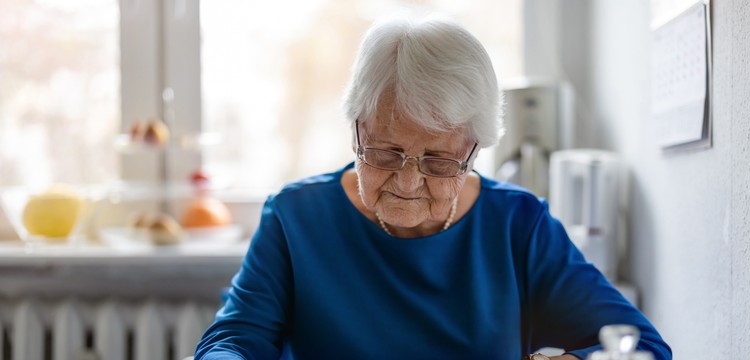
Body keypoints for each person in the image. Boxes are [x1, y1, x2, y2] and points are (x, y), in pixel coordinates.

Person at [195, 16, 672, 360]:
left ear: (473, 152)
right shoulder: (296, 217)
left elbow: (642, 345)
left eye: (439, 161)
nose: (407, 181)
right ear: (356, 128)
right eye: (384, 152)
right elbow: (234, 339)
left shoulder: (517, 225)